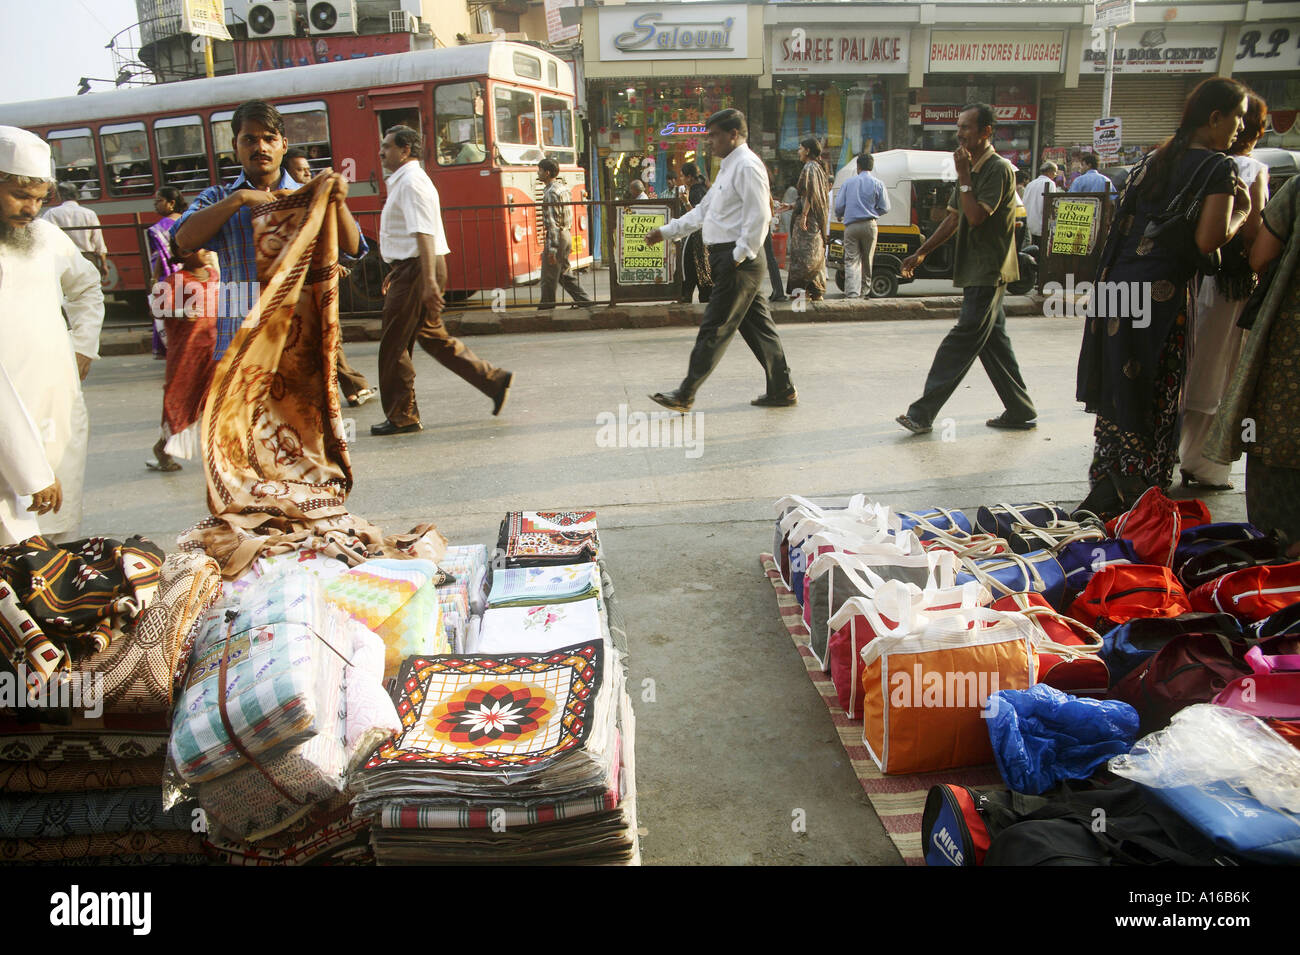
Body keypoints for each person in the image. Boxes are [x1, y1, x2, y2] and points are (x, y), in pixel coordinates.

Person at [1076, 77, 1251, 517]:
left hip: (1116, 285)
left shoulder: (1155, 160)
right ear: (1215, 118)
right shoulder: (1217, 167)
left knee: (1121, 385)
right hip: (1160, 296)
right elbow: (1209, 238)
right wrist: (1243, 211)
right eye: (1237, 117)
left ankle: (1112, 481)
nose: (1240, 126)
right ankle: (1139, 492)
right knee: (1155, 386)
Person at [174, 99, 366, 362]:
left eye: (269, 138)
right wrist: (240, 199)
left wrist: (337, 202)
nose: (260, 147)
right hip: (240, 345)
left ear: (283, 145)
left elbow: (352, 248)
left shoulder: (310, 197)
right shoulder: (220, 198)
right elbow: (183, 239)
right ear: (235, 145)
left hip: (300, 343)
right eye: (249, 140)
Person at [896, 104, 1036, 435]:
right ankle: (1020, 409)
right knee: (994, 343)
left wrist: (962, 177)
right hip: (975, 269)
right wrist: (921, 253)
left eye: (967, 127)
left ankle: (922, 412)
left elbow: (975, 216)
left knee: (960, 341)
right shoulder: (969, 168)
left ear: (986, 132)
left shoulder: (998, 170)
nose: (960, 134)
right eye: (958, 127)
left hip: (989, 270)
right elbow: (954, 218)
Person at [643, 108, 796, 412]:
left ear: (734, 135)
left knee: (715, 327)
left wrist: (739, 255)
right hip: (728, 257)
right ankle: (782, 388)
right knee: (759, 328)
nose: (709, 142)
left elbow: (760, 215)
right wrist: (667, 231)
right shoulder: (727, 167)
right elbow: (703, 213)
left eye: (714, 135)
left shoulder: (748, 166)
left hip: (738, 259)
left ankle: (685, 393)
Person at [372, 125, 513, 435]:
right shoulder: (408, 180)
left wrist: (426, 282)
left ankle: (402, 416)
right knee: (433, 338)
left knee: (394, 346)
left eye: (387, 146)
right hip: (415, 268)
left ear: (405, 150)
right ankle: (493, 379)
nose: (382, 151)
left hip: (417, 268)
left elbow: (424, 233)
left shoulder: (410, 183)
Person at [0, 126, 103, 545]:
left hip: (56, 410)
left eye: (40, 199)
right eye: (21, 196)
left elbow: (87, 286)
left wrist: (83, 346)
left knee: (56, 547)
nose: (32, 209)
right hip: (9, 421)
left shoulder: (45, 236)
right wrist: (31, 471)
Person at [1204, 152, 1300, 554]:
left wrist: (1245, 211)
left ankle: (1283, 539)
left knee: (1275, 425)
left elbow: (1260, 256)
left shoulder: (1296, 190)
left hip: (1291, 335)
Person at [1179, 93, 1269, 492]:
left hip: (1188, 280)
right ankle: (1204, 463)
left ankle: (1175, 452)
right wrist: (1246, 212)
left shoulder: (1189, 161)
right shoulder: (1248, 169)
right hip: (1227, 285)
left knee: (1189, 363)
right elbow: (1252, 236)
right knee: (1218, 371)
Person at [285, 146, 376, 407]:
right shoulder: (286, 202)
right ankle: (352, 387)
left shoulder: (319, 197)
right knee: (326, 338)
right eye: (300, 171)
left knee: (328, 336)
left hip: (318, 283)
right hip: (297, 289)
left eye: (307, 170)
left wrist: (331, 263)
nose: (306, 175)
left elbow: (353, 245)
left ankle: (350, 387)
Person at [536, 157, 591, 309]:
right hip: (565, 234)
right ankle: (586, 302)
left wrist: (552, 250)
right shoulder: (563, 188)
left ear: (547, 173)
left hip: (557, 237)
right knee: (564, 274)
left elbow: (553, 223)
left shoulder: (550, 193)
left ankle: (546, 309)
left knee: (549, 277)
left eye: (540, 170)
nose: (538, 173)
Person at [834, 152, 890, 299]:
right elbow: (885, 207)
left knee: (851, 259)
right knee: (867, 259)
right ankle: (864, 292)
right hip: (870, 225)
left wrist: (841, 214)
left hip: (851, 226)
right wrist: (872, 211)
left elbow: (838, 206)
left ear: (858, 166)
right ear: (871, 167)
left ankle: (852, 293)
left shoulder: (848, 183)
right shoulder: (878, 183)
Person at [786, 137, 830, 301]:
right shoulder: (818, 168)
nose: (798, 152)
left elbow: (811, 194)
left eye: (800, 148)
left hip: (808, 222)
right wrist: (791, 206)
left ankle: (800, 295)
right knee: (815, 256)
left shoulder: (810, 167)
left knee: (803, 257)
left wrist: (803, 215)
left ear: (808, 150)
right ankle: (815, 292)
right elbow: (807, 197)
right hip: (815, 222)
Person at [41, 180, 109, 281]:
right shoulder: (89, 214)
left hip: (63, 259)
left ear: (60, 196)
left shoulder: (51, 213)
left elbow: (45, 239)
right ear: (77, 195)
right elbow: (99, 243)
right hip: (87, 258)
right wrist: (104, 264)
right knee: (88, 291)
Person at [146, 185, 184, 359]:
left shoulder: (158, 229)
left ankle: (172, 352)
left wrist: (154, 280)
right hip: (193, 278)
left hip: (169, 278)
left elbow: (160, 260)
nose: (155, 205)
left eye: (159, 201)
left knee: (168, 318)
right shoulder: (190, 220)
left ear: (171, 203)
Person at [677, 163, 713, 304]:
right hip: (699, 239)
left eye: (682, 175)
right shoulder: (701, 189)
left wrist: (685, 202)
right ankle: (694, 297)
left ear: (689, 177)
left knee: (692, 268)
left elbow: (697, 217)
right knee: (696, 269)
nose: (681, 178)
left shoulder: (697, 192)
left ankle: (689, 297)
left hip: (696, 239)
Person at [1022, 161, 1058, 243]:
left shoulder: (1030, 184)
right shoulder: (1050, 183)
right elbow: (1050, 205)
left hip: (1028, 224)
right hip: (1041, 225)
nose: (1055, 175)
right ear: (1050, 172)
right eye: (1054, 173)